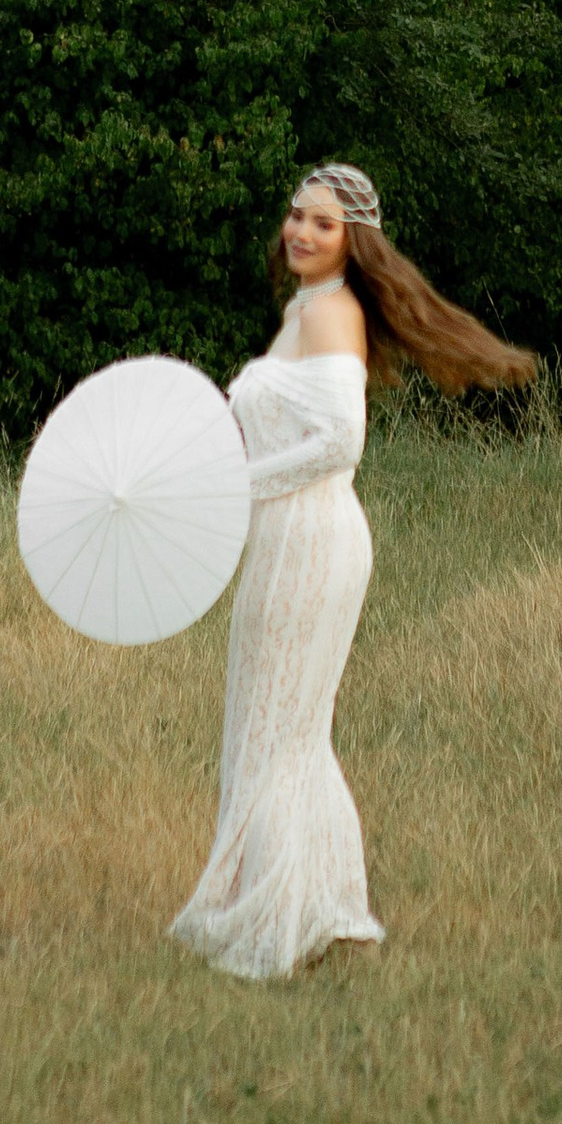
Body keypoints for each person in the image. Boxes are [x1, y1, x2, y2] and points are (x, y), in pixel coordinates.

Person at [169, 160, 536, 982]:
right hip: (290, 533)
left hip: (311, 536)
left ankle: (283, 916)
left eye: (323, 224)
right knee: (280, 729)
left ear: (354, 240)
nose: (301, 231)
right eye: (297, 215)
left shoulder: (333, 312)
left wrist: (234, 489)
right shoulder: (308, 305)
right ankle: (321, 911)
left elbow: (341, 443)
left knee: (277, 731)